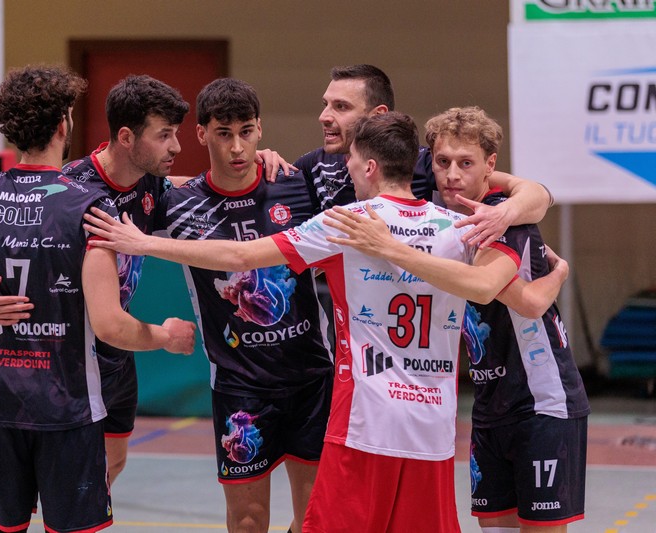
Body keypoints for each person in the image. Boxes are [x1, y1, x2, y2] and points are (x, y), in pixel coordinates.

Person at [83, 111, 523, 532]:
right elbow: (500, 283)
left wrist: (143, 244)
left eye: (352, 160)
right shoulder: (461, 228)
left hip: (364, 422)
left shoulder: (347, 224)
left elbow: (240, 256)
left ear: (370, 167)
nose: (347, 168)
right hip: (433, 426)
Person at [0, 74, 293, 488]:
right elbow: (0, 255)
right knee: (65, 482)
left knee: (111, 465)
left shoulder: (150, 183)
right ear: (125, 138)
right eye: (165, 135)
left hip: (118, 354)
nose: (176, 147)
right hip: (69, 357)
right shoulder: (71, 188)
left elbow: (201, 188)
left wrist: (256, 161)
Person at [0, 65, 195, 533]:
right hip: (71, 391)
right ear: (64, 125)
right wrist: (167, 335)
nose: (175, 146)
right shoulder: (87, 205)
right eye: (165, 135)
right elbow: (108, 324)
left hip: (0, 398)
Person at [327, 107, 590, 532]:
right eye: (443, 162)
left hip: (541, 400)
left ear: (489, 165)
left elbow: (524, 299)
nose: (451, 174)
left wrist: (559, 273)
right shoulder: (438, 208)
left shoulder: (502, 217)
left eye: (466, 163)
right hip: (487, 402)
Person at [97, 77, 335, 533]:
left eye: (246, 132)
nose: (237, 147)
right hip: (239, 385)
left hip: (311, 379)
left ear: (260, 129)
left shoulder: (297, 186)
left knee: (315, 519)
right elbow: (109, 183)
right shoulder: (176, 205)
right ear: (202, 134)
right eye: (224, 134)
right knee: (247, 521)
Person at [294, 64, 553, 246]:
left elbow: (538, 194)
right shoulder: (313, 164)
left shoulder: (422, 164)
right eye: (326, 105)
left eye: (341, 107)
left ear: (378, 115)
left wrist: (504, 214)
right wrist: (270, 160)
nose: (324, 117)